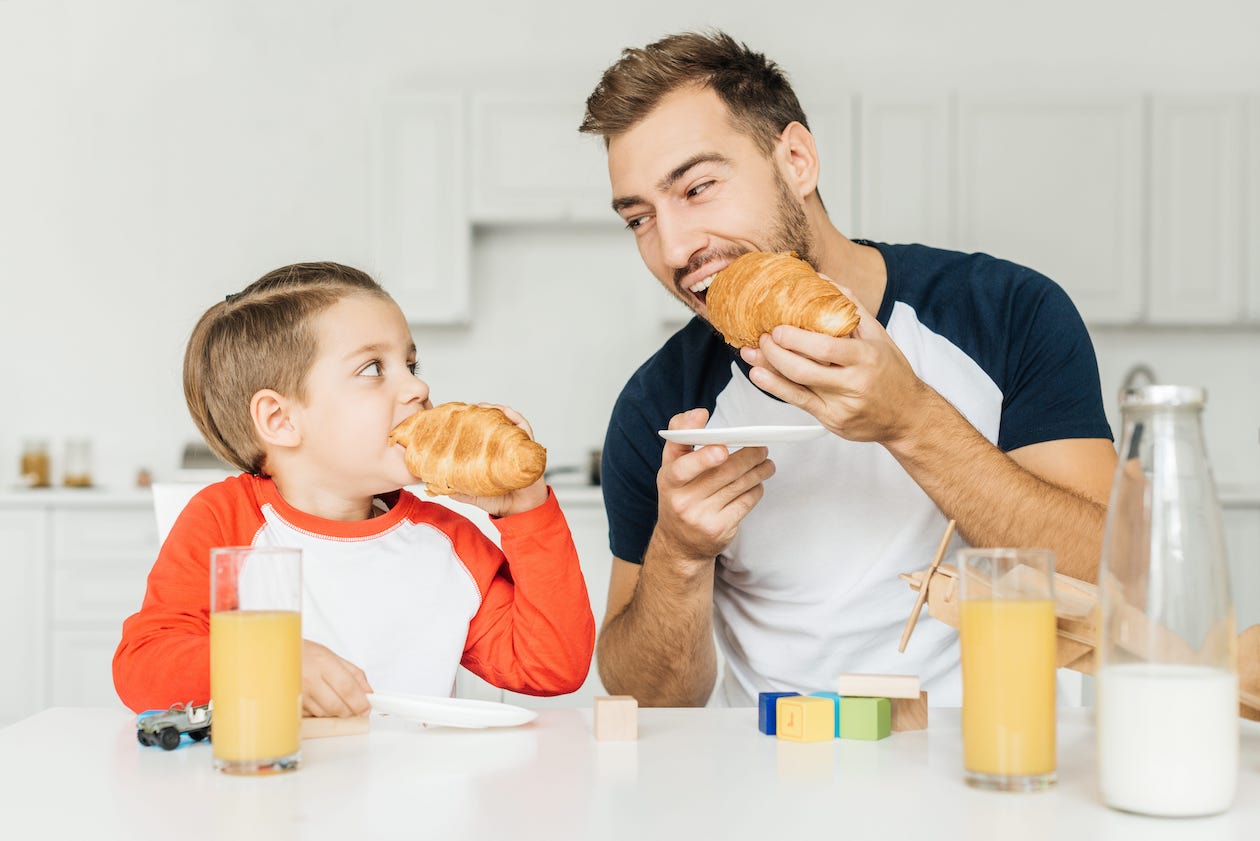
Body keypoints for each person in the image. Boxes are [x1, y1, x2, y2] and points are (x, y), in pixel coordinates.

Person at [579, 31, 1117, 707]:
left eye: (698, 187)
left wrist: (913, 420)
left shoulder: (1006, 311)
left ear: (797, 160)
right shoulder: (663, 405)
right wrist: (680, 554)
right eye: (640, 219)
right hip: (777, 781)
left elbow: (1111, 576)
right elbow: (650, 702)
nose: (675, 246)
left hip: (1001, 770)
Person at [113, 262, 594, 716]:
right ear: (281, 420)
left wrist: (526, 511)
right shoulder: (225, 520)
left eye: (412, 365)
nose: (416, 389)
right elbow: (144, 664)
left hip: (414, 794)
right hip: (274, 791)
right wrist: (271, 662)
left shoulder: (445, 541)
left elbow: (551, 666)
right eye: (373, 369)